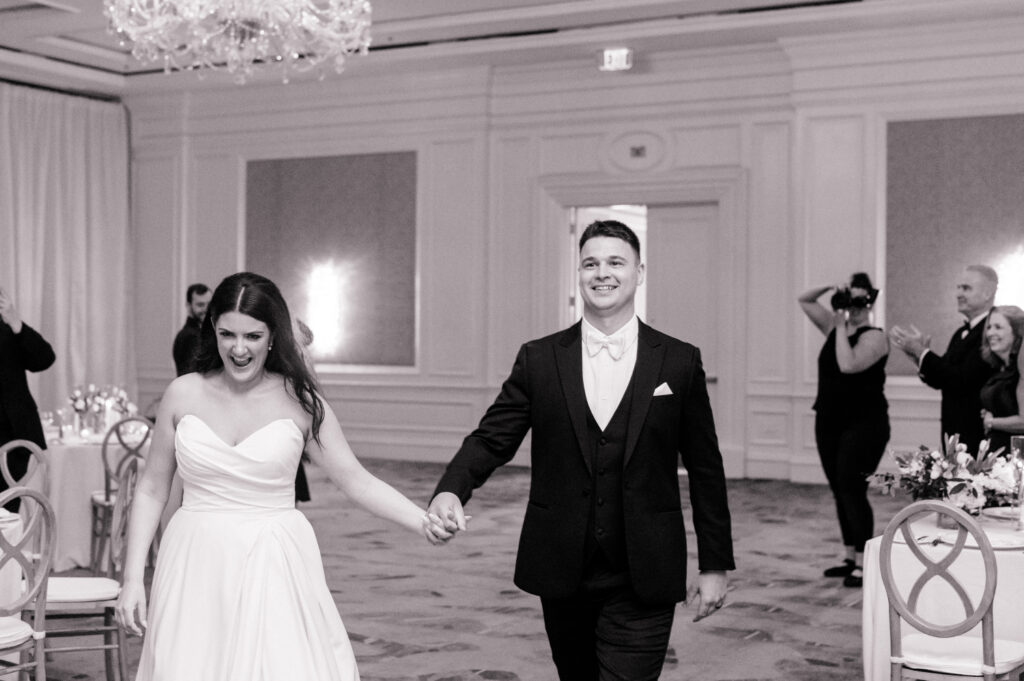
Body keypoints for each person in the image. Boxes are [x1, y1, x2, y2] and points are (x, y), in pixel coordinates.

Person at [428, 220, 735, 681]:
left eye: (616, 262)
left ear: (639, 272)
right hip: (561, 564)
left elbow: (706, 469)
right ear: (579, 273)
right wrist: (451, 489)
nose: (602, 273)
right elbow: (493, 438)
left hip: (645, 568)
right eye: (590, 263)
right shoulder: (540, 358)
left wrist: (714, 565)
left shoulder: (678, 360)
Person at [116, 272, 453, 680]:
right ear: (213, 331)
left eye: (253, 337)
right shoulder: (183, 393)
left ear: (273, 336)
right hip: (193, 558)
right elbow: (152, 488)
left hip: (273, 556)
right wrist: (133, 578)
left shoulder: (301, 402)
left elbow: (357, 481)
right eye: (227, 334)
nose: (239, 349)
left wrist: (422, 521)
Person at [798, 273, 889, 589]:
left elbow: (848, 364)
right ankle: (849, 557)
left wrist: (839, 324)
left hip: (865, 425)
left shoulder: (876, 337)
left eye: (863, 300)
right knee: (839, 489)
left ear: (872, 302)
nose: (857, 306)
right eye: (853, 300)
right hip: (828, 420)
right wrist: (833, 288)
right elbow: (805, 299)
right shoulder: (835, 327)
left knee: (852, 488)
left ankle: (865, 563)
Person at [891, 265, 998, 454]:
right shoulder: (961, 333)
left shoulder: (991, 332)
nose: (958, 293)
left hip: (976, 434)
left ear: (987, 293)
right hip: (954, 431)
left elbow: (961, 379)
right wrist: (919, 357)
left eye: (966, 288)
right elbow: (942, 379)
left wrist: (921, 351)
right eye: (958, 288)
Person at [0, 286, 56, 511]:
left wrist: (16, 324)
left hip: (13, 435)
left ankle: (7, 547)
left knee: (8, 510)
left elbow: (44, 359)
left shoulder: (8, 328)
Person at [979, 305, 1024, 454]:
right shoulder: (999, 369)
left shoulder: (1020, 371)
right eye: (989, 327)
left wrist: (991, 422)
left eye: (998, 327)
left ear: (1017, 332)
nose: (990, 333)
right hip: (996, 452)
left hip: (1016, 457)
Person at [171, 283, 211, 376]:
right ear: (188, 306)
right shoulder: (190, 336)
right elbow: (191, 375)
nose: (206, 309)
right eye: (200, 305)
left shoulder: (199, 333)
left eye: (209, 304)